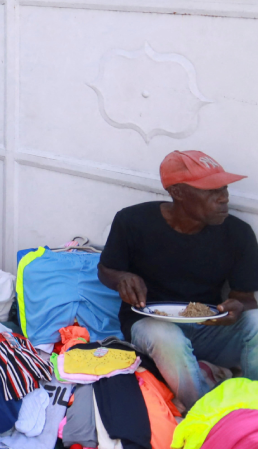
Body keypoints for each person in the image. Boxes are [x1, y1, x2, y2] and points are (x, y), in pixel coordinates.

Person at [98, 150, 258, 410]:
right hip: (150, 324)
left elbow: (246, 299)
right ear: (178, 192)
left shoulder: (238, 234)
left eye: (225, 188)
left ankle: (251, 409)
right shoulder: (132, 221)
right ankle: (204, 413)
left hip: (209, 326)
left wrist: (237, 307)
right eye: (211, 190)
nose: (224, 198)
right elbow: (106, 269)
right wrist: (121, 278)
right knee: (167, 338)